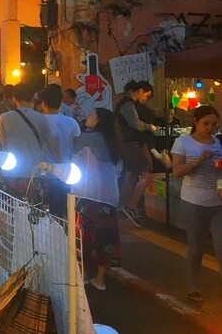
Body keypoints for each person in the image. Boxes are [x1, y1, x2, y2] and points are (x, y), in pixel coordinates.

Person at [170, 105, 222, 303]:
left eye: (214, 125)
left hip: (217, 203)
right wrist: (200, 159)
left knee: (220, 245)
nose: (210, 128)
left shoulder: (217, 142)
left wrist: (220, 184)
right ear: (195, 121)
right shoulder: (183, 142)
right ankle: (193, 286)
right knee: (196, 247)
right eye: (206, 123)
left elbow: (219, 172)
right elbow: (177, 172)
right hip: (193, 202)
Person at [73, 108, 122, 291]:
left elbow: (71, 146)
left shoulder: (91, 138)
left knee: (85, 235)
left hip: (90, 194)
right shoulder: (114, 141)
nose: (88, 116)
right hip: (109, 196)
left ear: (99, 120)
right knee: (105, 238)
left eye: (91, 115)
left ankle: (84, 275)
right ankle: (100, 279)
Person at [0, 84, 57, 198]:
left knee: (13, 207)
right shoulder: (42, 118)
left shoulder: (4, 117)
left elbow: (0, 144)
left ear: (14, 98)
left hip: (12, 171)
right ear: (32, 98)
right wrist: (60, 165)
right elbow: (52, 145)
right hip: (35, 170)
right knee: (35, 209)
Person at [116, 80, 159, 227]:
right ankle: (131, 207)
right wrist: (149, 126)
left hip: (128, 144)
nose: (146, 98)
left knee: (131, 174)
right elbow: (135, 124)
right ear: (140, 91)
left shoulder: (126, 103)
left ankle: (123, 206)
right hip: (134, 144)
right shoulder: (128, 104)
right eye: (146, 95)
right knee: (147, 175)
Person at [40, 85, 81, 163]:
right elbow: (78, 145)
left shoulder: (38, 121)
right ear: (60, 102)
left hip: (42, 168)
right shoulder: (72, 122)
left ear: (44, 104)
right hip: (66, 167)